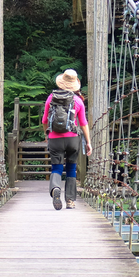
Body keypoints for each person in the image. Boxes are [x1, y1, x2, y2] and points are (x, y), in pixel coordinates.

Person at [42, 69, 92, 210]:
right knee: (71, 168)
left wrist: (47, 135)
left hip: (55, 139)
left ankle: (56, 188)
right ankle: (70, 201)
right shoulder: (78, 101)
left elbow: (44, 120)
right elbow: (83, 123)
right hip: (73, 139)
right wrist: (88, 142)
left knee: (56, 168)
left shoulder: (51, 98)